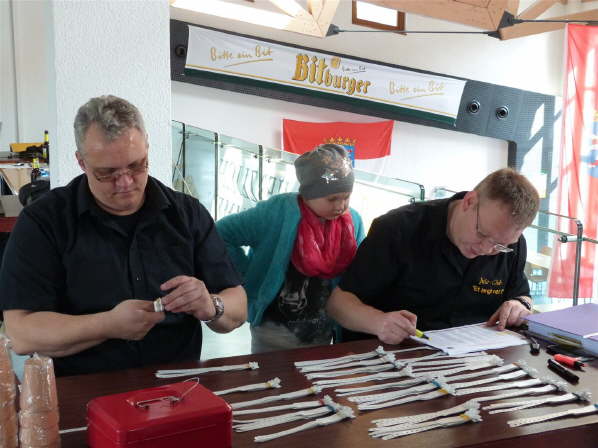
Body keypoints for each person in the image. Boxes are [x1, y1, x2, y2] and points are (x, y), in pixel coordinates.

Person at [0, 95, 247, 376]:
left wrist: (211, 305)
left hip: (179, 387)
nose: (126, 182)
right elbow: (22, 333)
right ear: (81, 162)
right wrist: (107, 325)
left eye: (137, 165)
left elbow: (238, 304)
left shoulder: (187, 214)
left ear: (147, 148)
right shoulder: (44, 222)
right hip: (85, 391)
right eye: (107, 173)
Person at [327, 168, 540, 344]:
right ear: (469, 201)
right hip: (392, 357)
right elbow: (338, 304)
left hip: (475, 361)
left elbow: (521, 295)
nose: (486, 249)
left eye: (500, 246)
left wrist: (521, 305)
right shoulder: (398, 229)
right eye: (482, 234)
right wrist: (378, 322)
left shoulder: (512, 245)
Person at [216, 144, 365, 353]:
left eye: (346, 197)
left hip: (323, 330)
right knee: (271, 372)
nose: (340, 206)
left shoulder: (352, 222)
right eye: (332, 199)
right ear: (308, 194)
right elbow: (220, 234)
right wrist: (246, 275)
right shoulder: (276, 212)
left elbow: (359, 269)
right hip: (273, 329)